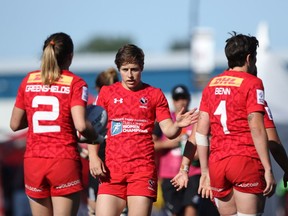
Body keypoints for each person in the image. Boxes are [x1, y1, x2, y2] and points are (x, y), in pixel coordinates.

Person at [87, 44, 199, 216]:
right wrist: (93, 157)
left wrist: (177, 125)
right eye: (125, 70)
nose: (130, 75)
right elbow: (96, 130)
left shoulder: (154, 94)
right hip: (112, 172)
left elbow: (168, 130)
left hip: (142, 172)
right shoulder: (107, 93)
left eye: (134, 69)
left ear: (142, 68)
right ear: (119, 69)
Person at [9, 32, 100, 216]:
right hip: (63, 160)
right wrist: (96, 136)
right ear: (70, 57)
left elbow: (14, 124)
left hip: (34, 161)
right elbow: (81, 125)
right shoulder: (75, 83)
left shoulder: (29, 80)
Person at [195, 32, 276, 215]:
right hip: (244, 160)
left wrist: (205, 171)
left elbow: (201, 131)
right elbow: (256, 126)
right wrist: (268, 168)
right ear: (249, 58)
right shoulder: (252, 83)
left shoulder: (211, 84)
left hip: (217, 164)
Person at [153, 84, 203, 216]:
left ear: (189, 99)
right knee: (173, 212)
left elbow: (208, 141)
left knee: (191, 209)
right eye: (177, 98)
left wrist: (199, 153)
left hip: (193, 172)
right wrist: (169, 143)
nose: (181, 101)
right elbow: (150, 144)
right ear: (173, 101)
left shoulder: (196, 119)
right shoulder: (164, 120)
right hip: (169, 175)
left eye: (184, 98)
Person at [81, 67, 120, 215]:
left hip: (100, 157)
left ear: (97, 87)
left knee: (94, 206)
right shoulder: (123, 101)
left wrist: (89, 154)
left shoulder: (95, 106)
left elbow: (81, 130)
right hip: (118, 157)